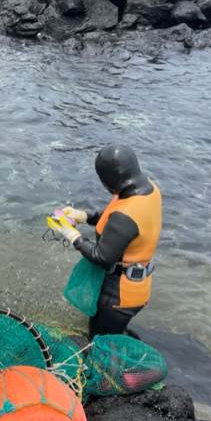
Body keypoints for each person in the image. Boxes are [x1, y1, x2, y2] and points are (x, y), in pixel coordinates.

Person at [56, 144, 162, 338]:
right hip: (138, 286)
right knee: (113, 334)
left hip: (119, 296)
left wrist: (73, 236)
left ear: (111, 181)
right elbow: (113, 219)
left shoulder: (126, 215)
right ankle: (119, 338)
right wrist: (85, 215)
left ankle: (104, 364)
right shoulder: (149, 190)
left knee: (99, 341)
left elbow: (102, 257)